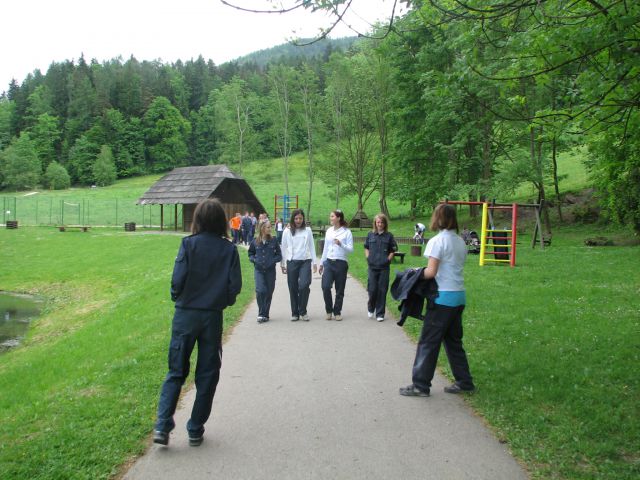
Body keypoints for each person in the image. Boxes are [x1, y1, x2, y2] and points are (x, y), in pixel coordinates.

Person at [153, 198, 242, 447]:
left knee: (175, 371)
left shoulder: (188, 245)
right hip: (211, 316)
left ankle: (162, 425)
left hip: (186, 314)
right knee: (207, 374)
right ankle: (195, 427)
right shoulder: (228, 249)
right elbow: (234, 286)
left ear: (198, 220)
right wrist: (220, 301)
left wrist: (179, 298)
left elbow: (177, 280)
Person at [399, 203, 475, 397]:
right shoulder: (460, 241)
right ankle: (464, 381)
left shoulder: (437, 241)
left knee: (428, 342)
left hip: (442, 299)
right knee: (453, 341)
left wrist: (415, 273)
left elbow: (431, 272)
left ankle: (420, 385)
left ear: (438, 218)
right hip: (458, 296)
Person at [280, 209, 318, 321]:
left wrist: (314, 262)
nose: (298, 220)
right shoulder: (287, 231)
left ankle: (303, 310)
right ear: (293, 219)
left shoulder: (308, 230)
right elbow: (283, 247)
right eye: (296, 218)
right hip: (292, 261)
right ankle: (295, 313)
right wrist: (282, 263)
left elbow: (312, 246)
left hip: (305, 261)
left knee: (304, 285)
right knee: (293, 287)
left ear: (303, 219)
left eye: (300, 218)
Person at [319, 209, 354, 321]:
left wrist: (341, 244)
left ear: (339, 218)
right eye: (330, 216)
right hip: (329, 262)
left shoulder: (346, 232)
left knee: (339, 290)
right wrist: (321, 263)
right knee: (325, 286)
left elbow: (351, 249)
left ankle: (337, 311)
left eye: (332, 216)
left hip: (341, 263)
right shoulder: (328, 231)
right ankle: (329, 310)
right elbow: (325, 248)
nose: (330, 218)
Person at [364, 213, 398, 322]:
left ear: (385, 224)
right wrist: (368, 257)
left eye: (382, 222)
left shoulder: (389, 236)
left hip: (384, 267)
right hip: (372, 266)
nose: (380, 224)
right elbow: (366, 247)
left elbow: (393, 250)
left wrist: (388, 259)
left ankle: (380, 314)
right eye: (378, 222)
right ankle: (370, 307)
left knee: (382, 290)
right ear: (375, 223)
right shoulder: (370, 235)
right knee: (372, 289)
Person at [248, 220, 282, 323]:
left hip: (270, 271)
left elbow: (279, 255)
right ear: (262, 228)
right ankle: (261, 313)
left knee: (269, 292)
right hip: (258, 270)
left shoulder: (274, 240)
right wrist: (254, 260)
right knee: (260, 290)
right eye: (268, 227)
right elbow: (250, 253)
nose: (270, 229)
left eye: (270, 227)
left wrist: (273, 260)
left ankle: (265, 314)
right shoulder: (255, 241)